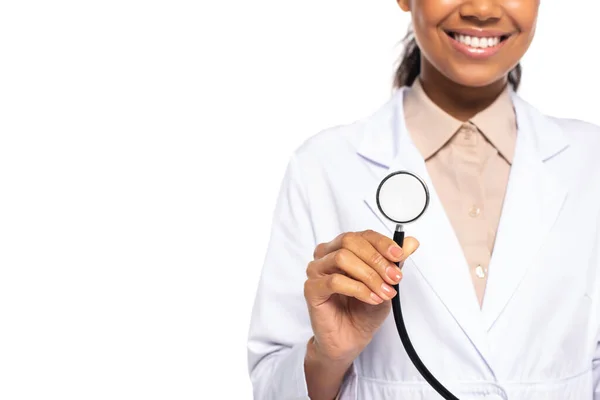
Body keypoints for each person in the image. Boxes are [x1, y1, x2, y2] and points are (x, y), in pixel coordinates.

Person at [247, 0, 600, 398]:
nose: (482, 9)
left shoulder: (592, 161)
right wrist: (328, 356)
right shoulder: (322, 166)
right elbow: (272, 383)